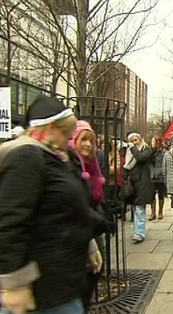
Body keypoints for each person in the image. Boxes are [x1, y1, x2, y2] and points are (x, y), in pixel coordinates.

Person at [0, 96, 109, 314]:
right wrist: (14, 284)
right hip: (41, 291)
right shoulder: (27, 158)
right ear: (52, 128)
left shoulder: (58, 158)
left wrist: (90, 242)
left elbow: (70, 208)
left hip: (62, 282)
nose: (69, 139)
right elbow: (10, 222)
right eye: (66, 133)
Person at [67, 120, 107, 310]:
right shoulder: (68, 165)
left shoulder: (92, 164)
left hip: (90, 229)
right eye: (83, 140)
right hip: (75, 235)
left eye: (91, 141)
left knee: (95, 271)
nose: (88, 145)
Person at [123, 132, 155, 243]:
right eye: (131, 141)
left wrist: (132, 148)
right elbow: (127, 165)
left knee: (140, 209)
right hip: (132, 183)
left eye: (135, 140)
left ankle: (139, 233)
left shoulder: (146, 149)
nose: (133, 143)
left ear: (140, 139)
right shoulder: (129, 152)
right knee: (135, 209)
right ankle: (137, 231)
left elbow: (140, 158)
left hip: (142, 182)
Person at [149, 135, 167, 220]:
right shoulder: (150, 152)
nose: (152, 143)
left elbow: (164, 164)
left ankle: (160, 212)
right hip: (152, 175)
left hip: (160, 176)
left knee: (160, 194)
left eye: (153, 141)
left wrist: (161, 172)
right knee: (151, 194)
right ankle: (153, 212)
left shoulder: (163, 152)